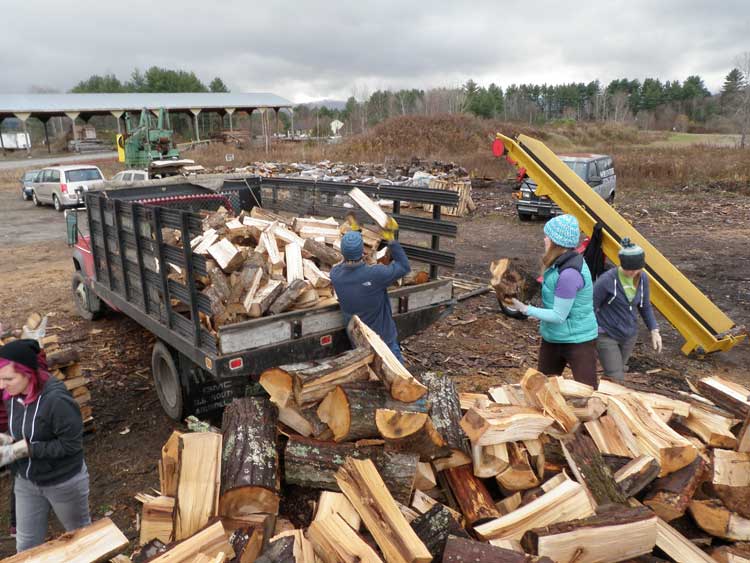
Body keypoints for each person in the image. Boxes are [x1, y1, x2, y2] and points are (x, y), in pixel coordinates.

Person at [0, 339, 90, 552]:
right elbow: (22, 429)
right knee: (27, 546)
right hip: (26, 481)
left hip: (63, 482)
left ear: (28, 373)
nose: (1, 385)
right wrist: (6, 439)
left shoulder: (56, 400)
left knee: (81, 538)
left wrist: (25, 449)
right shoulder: (11, 396)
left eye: (7, 378)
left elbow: (71, 445)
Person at [511, 214, 599, 388]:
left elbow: (559, 315)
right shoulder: (558, 264)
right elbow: (551, 294)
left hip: (578, 340)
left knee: (587, 393)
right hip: (553, 337)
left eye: (547, 236)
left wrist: (526, 309)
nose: (544, 239)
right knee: (542, 389)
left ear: (557, 243)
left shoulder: (569, 274)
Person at [331, 225, 411, 362]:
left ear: (342, 252)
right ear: (363, 250)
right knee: (399, 379)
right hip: (384, 341)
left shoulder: (336, 275)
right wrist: (391, 240)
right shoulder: (376, 274)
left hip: (358, 341)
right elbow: (404, 266)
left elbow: (344, 266)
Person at [593, 238, 662, 379]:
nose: (632, 273)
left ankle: (605, 397)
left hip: (629, 334)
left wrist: (654, 330)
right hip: (606, 333)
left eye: (636, 269)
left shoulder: (642, 278)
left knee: (618, 370)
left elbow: (645, 306)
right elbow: (590, 306)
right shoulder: (607, 280)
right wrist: (590, 333)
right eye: (628, 269)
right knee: (615, 375)